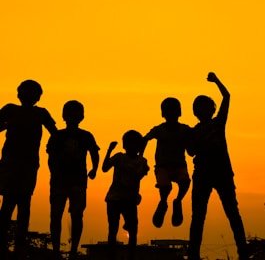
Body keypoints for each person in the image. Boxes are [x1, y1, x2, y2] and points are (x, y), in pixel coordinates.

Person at [187, 72, 249, 260]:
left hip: (222, 172)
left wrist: (216, 81)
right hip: (202, 173)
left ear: (211, 110)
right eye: (198, 108)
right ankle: (193, 254)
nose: (202, 110)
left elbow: (227, 96)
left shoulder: (218, 122)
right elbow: (190, 152)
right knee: (198, 215)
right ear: (195, 112)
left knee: (232, 212)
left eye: (205, 107)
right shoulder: (194, 131)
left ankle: (243, 251)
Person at [0, 80, 57, 259]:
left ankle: (19, 244)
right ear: (19, 93)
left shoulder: (41, 113)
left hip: (29, 162)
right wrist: (9, 125)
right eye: (26, 92)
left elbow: (55, 134)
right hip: (10, 161)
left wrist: (53, 149)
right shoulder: (10, 110)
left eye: (33, 93)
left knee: (24, 202)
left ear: (38, 97)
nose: (29, 95)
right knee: (9, 202)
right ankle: (4, 244)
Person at [47, 100, 99, 260]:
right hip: (59, 181)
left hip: (78, 181)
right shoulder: (57, 135)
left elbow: (94, 153)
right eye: (69, 112)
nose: (73, 115)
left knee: (76, 215)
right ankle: (56, 250)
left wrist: (94, 169)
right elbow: (51, 157)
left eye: (76, 112)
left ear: (82, 116)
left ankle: (73, 250)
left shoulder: (86, 135)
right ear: (63, 115)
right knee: (56, 215)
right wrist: (54, 172)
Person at [142, 97, 191, 228]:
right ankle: (163, 202)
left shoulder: (184, 129)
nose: (171, 114)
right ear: (163, 114)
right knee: (165, 186)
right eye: (168, 112)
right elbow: (145, 139)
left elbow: (193, 142)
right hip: (162, 166)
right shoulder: (159, 129)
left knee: (185, 182)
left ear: (179, 113)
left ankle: (178, 201)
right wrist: (140, 156)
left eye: (174, 111)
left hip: (179, 165)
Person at [102, 130, 149, 260]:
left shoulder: (142, 161)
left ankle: (131, 256)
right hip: (114, 199)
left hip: (129, 199)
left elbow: (138, 175)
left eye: (134, 144)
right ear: (124, 145)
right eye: (128, 144)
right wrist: (109, 151)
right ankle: (111, 256)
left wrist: (127, 166)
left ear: (138, 146)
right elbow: (104, 168)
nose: (131, 147)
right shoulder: (119, 157)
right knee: (113, 229)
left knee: (133, 231)